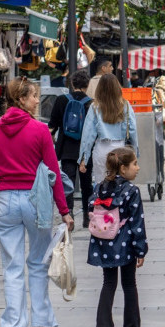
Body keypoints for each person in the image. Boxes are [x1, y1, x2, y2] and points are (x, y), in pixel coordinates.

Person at [0, 77, 73, 327]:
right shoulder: (40, 131)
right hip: (36, 201)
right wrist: (64, 210)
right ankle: (42, 322)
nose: (37, 101)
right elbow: (54, 172)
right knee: (38, 263)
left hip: (6, 200)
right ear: (21, 99)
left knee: (11, 267)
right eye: (34, 96)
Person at [88, 147, 148, 327]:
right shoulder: (132, 191)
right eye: (134, 164)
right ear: (123, 168)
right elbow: (137, 222)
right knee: (129, 284)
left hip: (104, 242)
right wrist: (141, 249)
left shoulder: (99, 188)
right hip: (126, 243)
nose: (137, 168)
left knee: (108, 283)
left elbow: (90, 207)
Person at [48, 70, 94, 225]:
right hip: (85, 149)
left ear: (72, 84)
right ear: (87, 85)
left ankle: (69, 214)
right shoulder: (91, 103)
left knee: (68, 182)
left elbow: (52, 126)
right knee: (86, 183)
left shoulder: (61, 100)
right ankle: (87, 216)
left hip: (66, 148)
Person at [78, 73, 139, 186]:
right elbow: (133, 131)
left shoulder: (94, 107)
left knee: (101, 186)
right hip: (121, 150)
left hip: (101, 149)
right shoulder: (125, 105)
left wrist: (84, 158)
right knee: (120, 186)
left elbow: (88, 134)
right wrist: (135, 152)